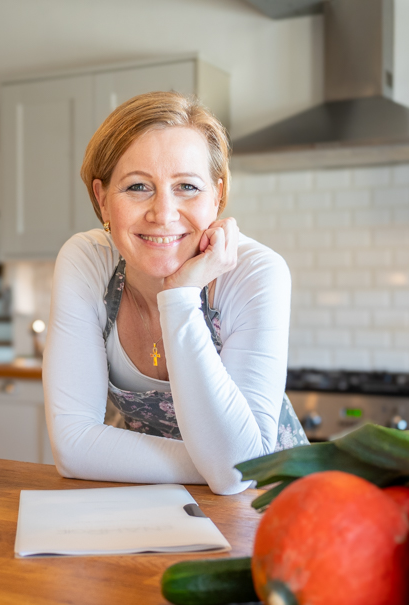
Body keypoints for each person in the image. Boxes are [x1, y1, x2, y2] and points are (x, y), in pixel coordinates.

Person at [42, 91, 307, 495]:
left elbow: (244, 476)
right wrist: (220, 465)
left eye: (186, 186)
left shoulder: (255, 273)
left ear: (217, 196)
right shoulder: (88, 262)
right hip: (156, 504)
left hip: (272, 508)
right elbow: (73, 446)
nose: (163, 214)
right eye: (137, 187)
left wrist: (180, 296)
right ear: (102, 199)